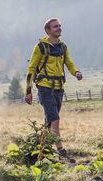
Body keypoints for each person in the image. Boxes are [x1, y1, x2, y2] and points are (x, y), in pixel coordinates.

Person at [24, 17, 82, 159]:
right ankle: (60, 149)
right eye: (55, 26)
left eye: (59, 26)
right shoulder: (40, 47)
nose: (59, 28)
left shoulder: (63, 47)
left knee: (49, 122)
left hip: (59, 88)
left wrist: (76, 72)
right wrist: (28, 91)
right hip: (44, 87)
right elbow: (31, 69)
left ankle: (40, 148)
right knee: (55, 118)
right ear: (48, 30)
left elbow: (68, 62)